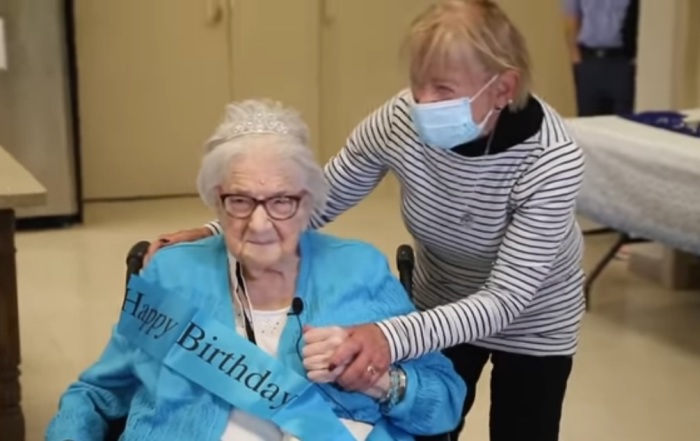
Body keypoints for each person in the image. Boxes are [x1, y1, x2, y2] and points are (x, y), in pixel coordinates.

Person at [145, 1, 586, 440]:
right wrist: (223, 228)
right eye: (417, 86)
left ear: (503, 87)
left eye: (443, 90)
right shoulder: (400, 120)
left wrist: (387, 336)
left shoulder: (552, 160)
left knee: (523, 429)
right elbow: (318, 198)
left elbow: (505, 301)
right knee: (433, 422)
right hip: (440, 295)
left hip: (533, 316)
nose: (422, 104)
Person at [45, 99, 466, 441]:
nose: (260, 225)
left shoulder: (359, 269)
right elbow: (97, 394)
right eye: (241, 201)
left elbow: (444, 401)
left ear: (308, 202)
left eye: (282, 201)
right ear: (217, 200)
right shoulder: (172, 275)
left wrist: (375, 380)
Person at [563, 0, 639, 116]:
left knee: (624, 122)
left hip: (622, 61)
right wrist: (576, 59)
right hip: (589, 61)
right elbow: (571, 19)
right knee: (589, 122)